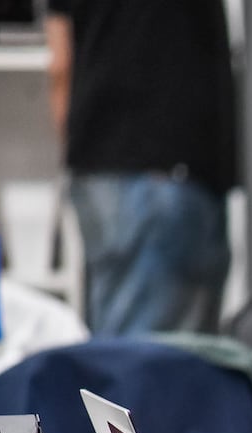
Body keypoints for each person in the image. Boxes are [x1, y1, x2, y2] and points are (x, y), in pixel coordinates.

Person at [45, 0, 236, 338]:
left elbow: (60, 60)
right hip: (166, 167)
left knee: (127, 358)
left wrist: (83, 154)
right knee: (156, 366)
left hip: (105, 168)